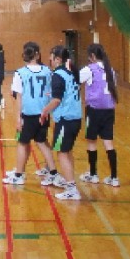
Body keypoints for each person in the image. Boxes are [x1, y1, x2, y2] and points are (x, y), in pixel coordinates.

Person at [2, 42, 60, 186]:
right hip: (44, 112)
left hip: (28, 114)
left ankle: (18, 175)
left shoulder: (20, 73)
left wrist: (17, 118)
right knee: (42, 141)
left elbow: (19, 98)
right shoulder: (48, 71)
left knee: (22, 143)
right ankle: (52, 172)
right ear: (38, 55)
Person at [40, 45, 83, 200]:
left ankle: (71, 188)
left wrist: (44, 111)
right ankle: (69, 182)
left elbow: (57, 100)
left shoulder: (58, 75)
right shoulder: (70, 73)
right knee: (67, 151)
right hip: (75, 118)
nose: (49, 60)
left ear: (57, 59)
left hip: (65, 119)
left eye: (51, 57)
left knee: (62, 153)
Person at [79, 43, 120, 187]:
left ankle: (93, 174)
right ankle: (114, 177)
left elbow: (75, 80)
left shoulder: (89, 69)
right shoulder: (110, 70)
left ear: (92, 56)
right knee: (108, 142)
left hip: (94, 110)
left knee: (91, 141)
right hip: (109, 110)